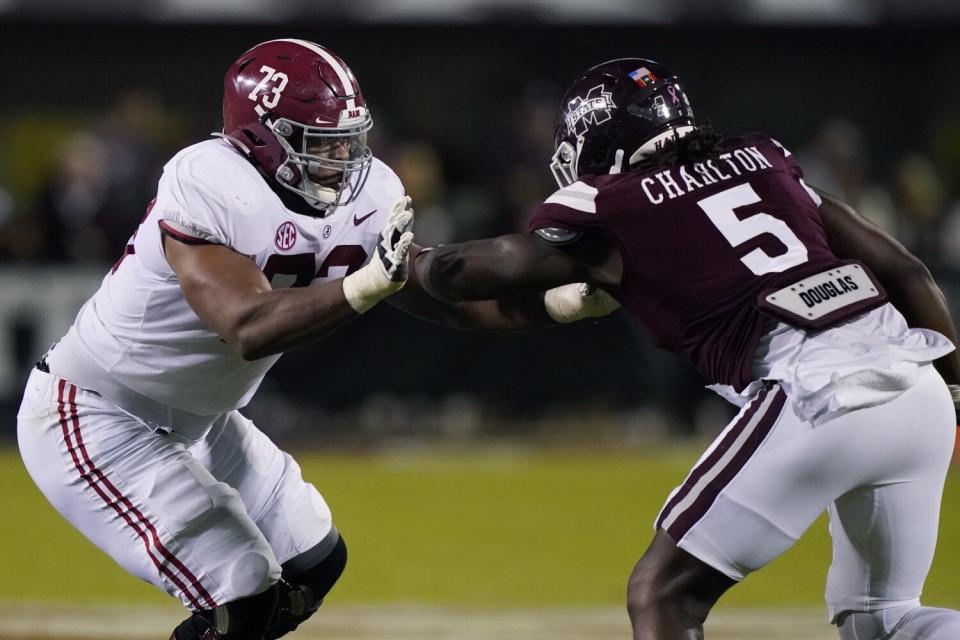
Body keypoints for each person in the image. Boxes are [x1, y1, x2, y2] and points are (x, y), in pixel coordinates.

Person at [16, 38, 564, 640]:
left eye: (348, 141)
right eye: (320, 143)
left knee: (317, 564)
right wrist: (364, 284)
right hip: (97, 413)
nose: (342, 160)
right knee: (244, 597)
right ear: (260, 137)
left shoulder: (366, 190)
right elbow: (246, 326)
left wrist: (555, 305)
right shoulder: (208, 180)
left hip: (204, 418)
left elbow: (434, 290)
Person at [415, 58, 960, 639]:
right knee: (886, 619)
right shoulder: (764, 161)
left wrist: (399, 255)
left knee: (662, 593)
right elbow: (908, 272)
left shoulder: (611, 205)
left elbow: (462, 274)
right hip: (918, 385)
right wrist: (953, 393)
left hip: (817, 395)